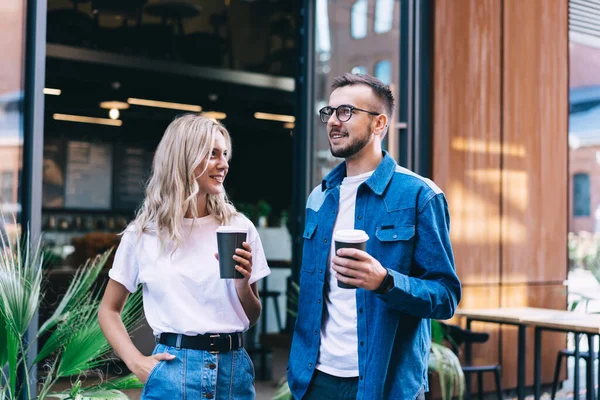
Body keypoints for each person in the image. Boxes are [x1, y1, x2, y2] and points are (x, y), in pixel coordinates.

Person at [287, 73, 462, 400]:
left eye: (346, 112)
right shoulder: (319, 199)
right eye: (330, 112)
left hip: (386, 383)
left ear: (379, 124)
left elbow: (446, 295)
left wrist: (384, 281)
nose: (333, 122)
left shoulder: (419, 196)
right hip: (315, 380)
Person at [98, 114, 270, 399]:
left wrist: (242, 284)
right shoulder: (143, 235)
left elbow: (252, 316)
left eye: (225, 154)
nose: (224, 163)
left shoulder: (239, 227)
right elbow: (108, 310)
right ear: (185, 158)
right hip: (172, 372)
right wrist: (135, 361)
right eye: (212, 154)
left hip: (233, 372)